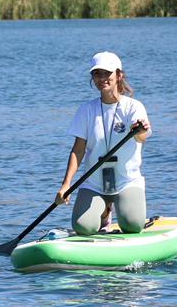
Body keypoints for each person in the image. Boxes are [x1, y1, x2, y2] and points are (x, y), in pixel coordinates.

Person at [55, 52, 151, 236]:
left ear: (119, 75)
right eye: (96, 74)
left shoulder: (134, 107)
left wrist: (140, 130)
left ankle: (115, 208)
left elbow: (142, 138)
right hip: (94, 182)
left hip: (126, 181)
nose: (102, 78)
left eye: (107, 73)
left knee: (133, 226)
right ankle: (105, 212)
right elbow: (78, 150)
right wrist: (66, 185)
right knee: (83, 227)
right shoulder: (86, 110)